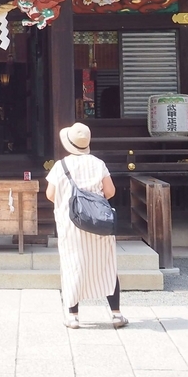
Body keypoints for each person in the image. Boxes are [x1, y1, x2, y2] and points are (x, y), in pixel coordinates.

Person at [45, 122, 127, 329]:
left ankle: (72, 316)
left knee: (73, 266)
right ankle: (116, 315)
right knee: (106, 266)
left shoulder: (61, 166)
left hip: (71, 224)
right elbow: (110, 192)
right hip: (98, 223)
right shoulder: (98, 164)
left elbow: (50, 195)